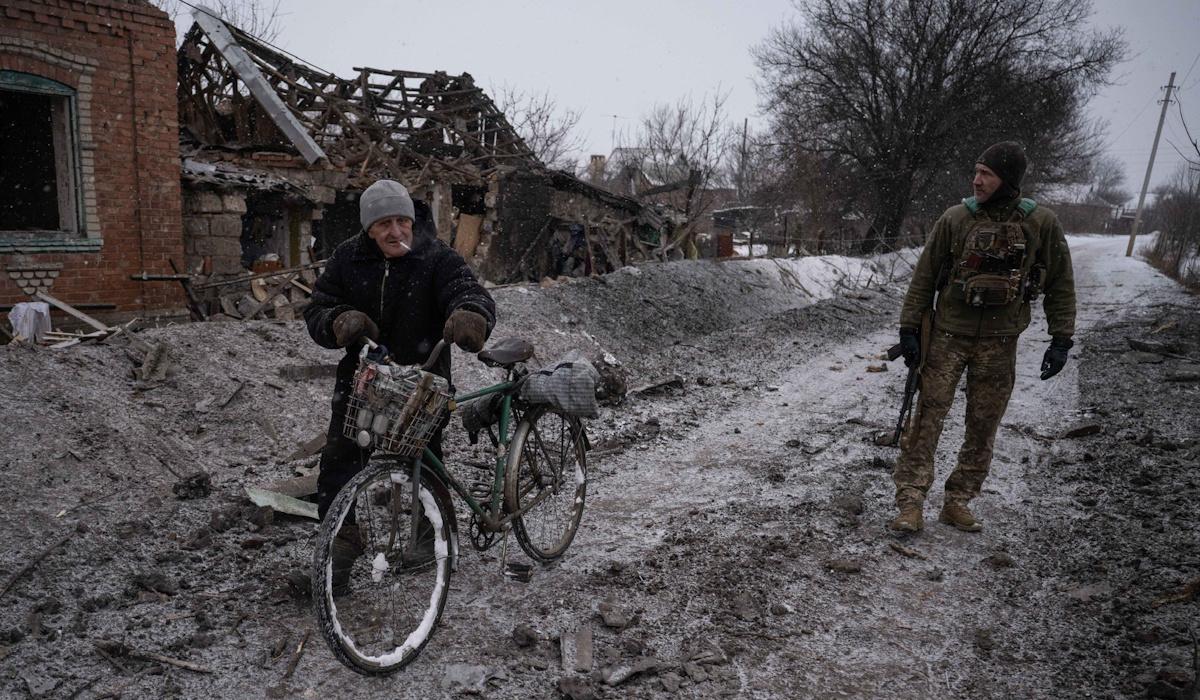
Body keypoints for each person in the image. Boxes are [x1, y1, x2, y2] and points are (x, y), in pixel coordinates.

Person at [304, 179, 495, 583]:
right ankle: (338, 554)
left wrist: (470, 314)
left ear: (412, 220)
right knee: (340, 461)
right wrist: (337, 320)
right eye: (383, 224)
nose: (395, 232)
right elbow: (318, 307)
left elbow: (467, 290)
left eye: (401, 221)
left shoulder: (437, 257)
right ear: (368, 228)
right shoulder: (348, 258)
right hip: (363, 382)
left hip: (423, 382)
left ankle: (432, 537)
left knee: (425, 459)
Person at [889, 141, 1076, 533]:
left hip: (1000, 342)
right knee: (926, 419)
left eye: (986, 174)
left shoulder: (1040, 223)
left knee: (983, 425)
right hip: (947, 337)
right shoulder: (956, 218)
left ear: (1007, 179)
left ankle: (958, 500)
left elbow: (1060, 283)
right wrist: (909, 328)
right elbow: (924, 277)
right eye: (976, 172)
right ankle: (910, 501)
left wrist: (1061, 339)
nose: (976, 180)